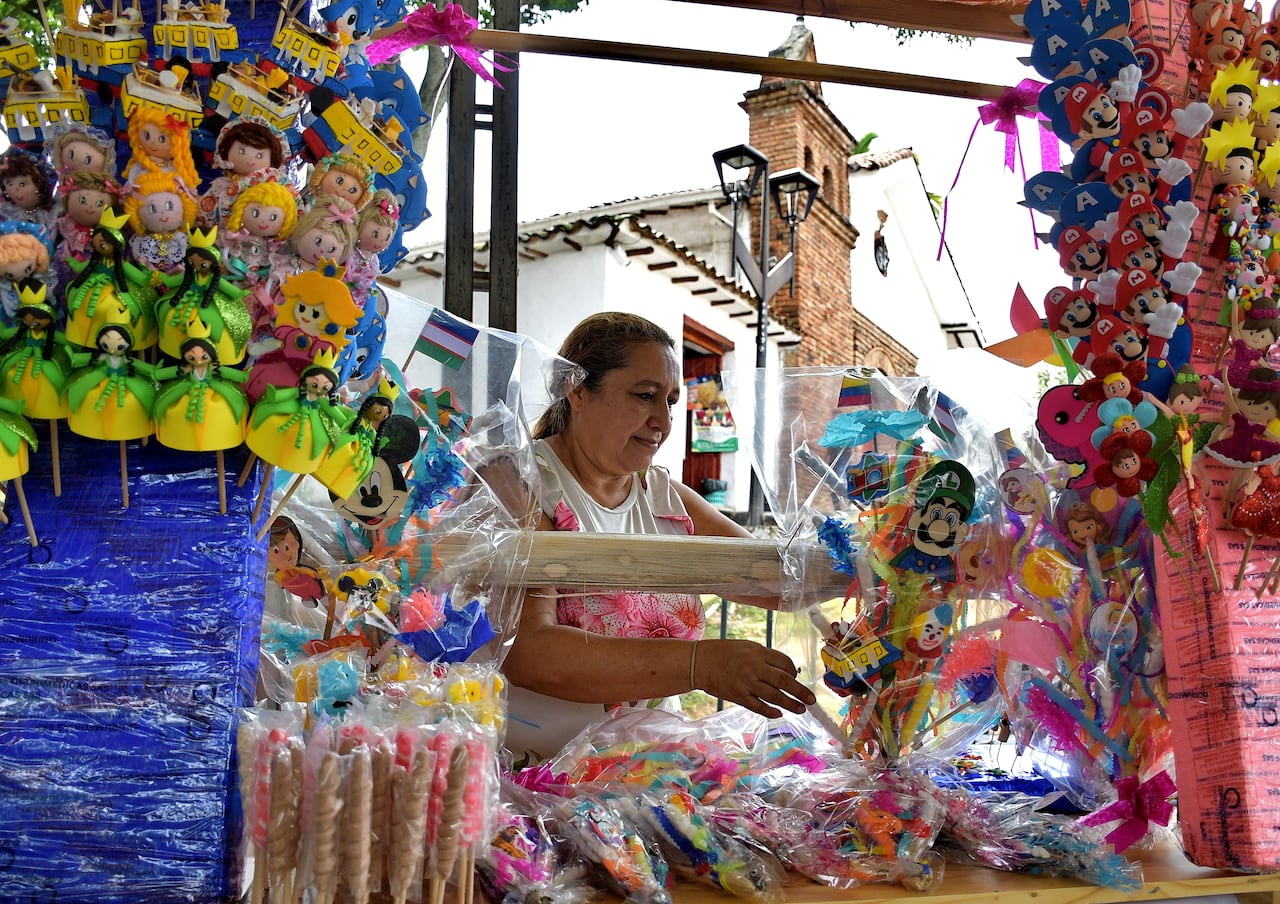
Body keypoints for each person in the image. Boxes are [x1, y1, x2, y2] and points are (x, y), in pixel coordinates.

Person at [501, 312, 815, 762]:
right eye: (645, 396)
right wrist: (701, 665)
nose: (663, 422)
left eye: (670, 401)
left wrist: (881, 555)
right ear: (577, 390)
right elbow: (530, 653)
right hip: (539, 780)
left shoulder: (664, 498)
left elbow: (780, 579)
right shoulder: (522, 486)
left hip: (649, 774)